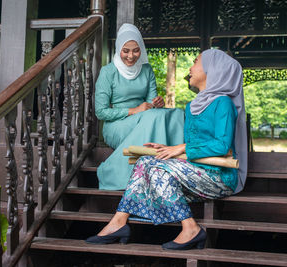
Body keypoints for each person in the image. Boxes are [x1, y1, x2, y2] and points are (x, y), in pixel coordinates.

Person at [86, 49, 248, 250]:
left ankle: (190, 228)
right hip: (194, 174)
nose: (190, 67)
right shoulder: (192, 106)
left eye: (196, 61)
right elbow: (193, 145)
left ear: (211, 69)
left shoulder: (223, 103)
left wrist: (180, 148)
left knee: (157, 171)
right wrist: (168, 148)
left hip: (218, 177)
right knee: (144, 161)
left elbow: (221, 145)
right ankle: (118, 222)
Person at [95, 23, 184, 190]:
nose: (130, 56)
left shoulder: (146, 69)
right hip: (117, 125)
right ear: (118, 49)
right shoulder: (108, 72)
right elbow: (101, 112)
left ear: (141, 48)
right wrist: (133, 111)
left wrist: (157, 103)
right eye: (125, 50)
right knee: (153, 116)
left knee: (177, 113)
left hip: (146, 117)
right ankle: (117, 174)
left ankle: (175, 170)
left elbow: (151, 105)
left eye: (135, 50)